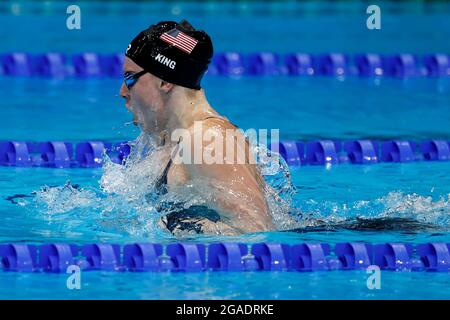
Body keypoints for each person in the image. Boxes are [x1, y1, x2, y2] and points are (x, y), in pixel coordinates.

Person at [119, 19, 275, 235]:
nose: (123, 92)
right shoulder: (178, 138)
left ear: (165, 81)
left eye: (130, 78)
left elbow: (258, 230)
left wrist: (178, 224)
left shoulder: (205, 139)